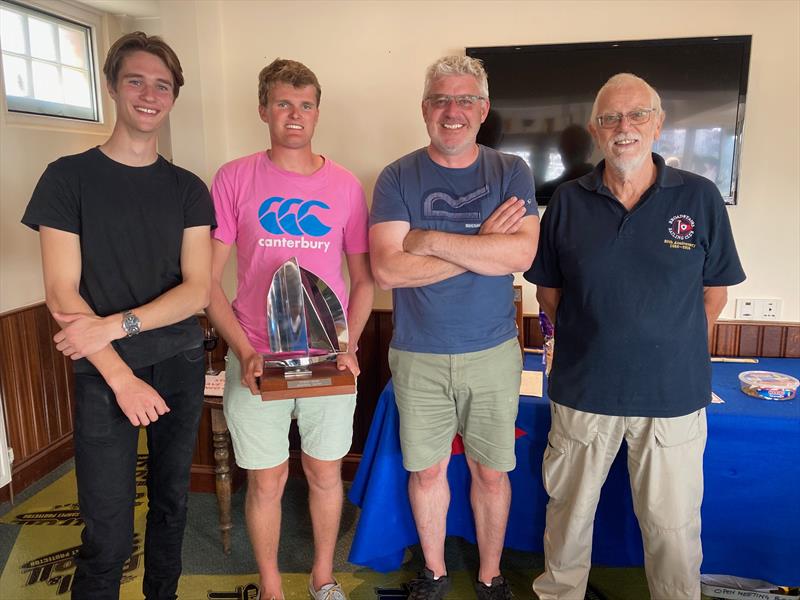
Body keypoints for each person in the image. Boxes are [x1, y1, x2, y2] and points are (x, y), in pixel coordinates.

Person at [525, 73, 745, 600]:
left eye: (636, 115)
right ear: (596, 129)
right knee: (568, 521)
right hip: (583, 391)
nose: (624, 128)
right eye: (610, 118)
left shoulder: (700, 196)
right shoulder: (567, 203)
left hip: (673, 397)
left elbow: (716, 292)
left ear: (659, 123)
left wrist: (669, 342)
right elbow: (549, 294)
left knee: (672, 531)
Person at [21, 32, 214, 599]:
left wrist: (115, 323)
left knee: (171, 504)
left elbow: (197, 290)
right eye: (136, 80)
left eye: (163, 85)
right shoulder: (67, 178)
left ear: (174, 96)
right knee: (105, 525)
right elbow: (62, 292)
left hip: (177, 362)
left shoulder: (188, 189)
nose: (149, 95)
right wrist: (119, 372)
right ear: (111, 87)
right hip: (104, 372)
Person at [369, 55, 539, 600]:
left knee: (492, 473)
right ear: (425, 109)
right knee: (428, 472)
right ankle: (436, 573)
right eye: (441, 99)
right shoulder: (397, 176)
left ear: (483, 109)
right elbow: (389, 269)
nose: (453, 110)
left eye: (465, 99)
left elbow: (522, 251)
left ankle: (490, 577)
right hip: (417, 353)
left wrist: (431, 239)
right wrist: (481, 244)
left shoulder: (511, 170)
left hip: (492, 353)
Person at [206, 58, 373, 600]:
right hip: (255, 356)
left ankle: (323, 578)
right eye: (283, 104)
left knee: (326, 475)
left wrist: (349, 346)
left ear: (317, 112)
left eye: (305, 105)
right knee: (267, 479)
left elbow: (364, 281)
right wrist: (244, 349)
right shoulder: (234, 178)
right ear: (264, 110)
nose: (294, 115)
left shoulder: (345, 186)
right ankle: (273, 586)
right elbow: (206, 282)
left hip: (327, 360)